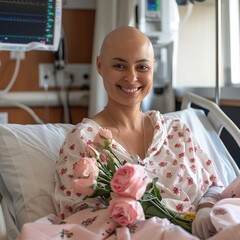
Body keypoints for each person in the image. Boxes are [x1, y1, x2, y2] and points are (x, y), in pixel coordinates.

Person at [53, 26, 224, 240]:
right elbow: (77, 218)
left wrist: (206, 209)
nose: (132, 77)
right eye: (119, 65)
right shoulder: (84, 142)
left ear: (153, 69)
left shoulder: (176, 131)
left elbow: (215, 185)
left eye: (142, 67)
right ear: (100, 65)